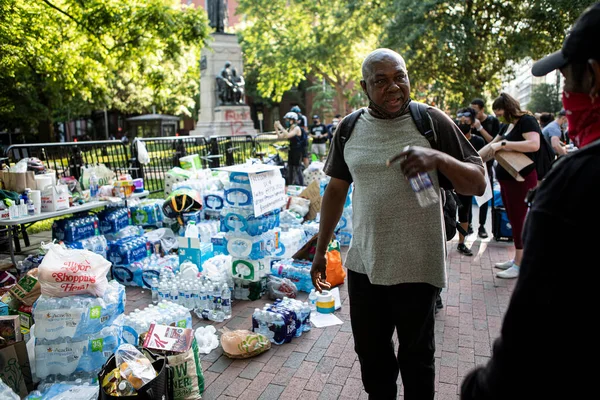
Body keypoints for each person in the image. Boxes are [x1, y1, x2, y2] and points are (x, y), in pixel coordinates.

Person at [311, 48, 485, 400]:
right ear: (364, 87)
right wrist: (320, 251)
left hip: (418, 265)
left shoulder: (431, 120)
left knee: (417, 360)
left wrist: (436, 158)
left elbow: (478, 181)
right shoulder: (349, 128)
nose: (393, 87)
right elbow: (335, 191)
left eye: (399, 77)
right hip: (365, 266)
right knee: (372, 361)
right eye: (381, 81)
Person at [461, 3, 600, 399]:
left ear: (595, 77)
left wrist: (479, 389)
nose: (564, 94)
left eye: (568, 78)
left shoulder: (575, 186)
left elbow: (527, 347)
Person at [489, 93, 541, 279]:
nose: (498, 117)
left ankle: (520, 264)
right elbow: (491, 147)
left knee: (519, 219)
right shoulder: (508, 125)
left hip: (521, 178)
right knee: (513, 216)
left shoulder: (527, 121)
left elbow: (534, 145)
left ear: (508, 108)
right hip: (508, 179)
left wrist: (506, 144)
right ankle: (516, 259)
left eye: (499, 112)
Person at [456, 108, 486, 256]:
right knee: (447, 211)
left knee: (464, 213)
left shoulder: (478, 141)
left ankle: (461, 243)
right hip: (452, 181)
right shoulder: (453, 140)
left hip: (467, 182)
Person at [470, 98, 502, 238]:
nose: (474, 113)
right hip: (470, 164)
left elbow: (493, 142)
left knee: (484, 194)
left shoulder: (492, 121)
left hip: (486, 164)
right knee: (467, 194)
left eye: (476, 110)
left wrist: (480, 128)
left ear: (482, 109)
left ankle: (481, 226)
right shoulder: (469, 121)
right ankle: (469, 224)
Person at [274, 112, 304, 186]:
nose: (286, 122)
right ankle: (290, 184)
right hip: (291, 150)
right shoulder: (289, 128)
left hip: (297, 151)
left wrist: (280, 126)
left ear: (293, 120)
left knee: (297, 168)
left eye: (288, 120)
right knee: (290, 167)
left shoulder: (297, 128)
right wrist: (276, 128)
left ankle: (300, 184)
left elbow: (288, 135)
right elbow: (280, 137)